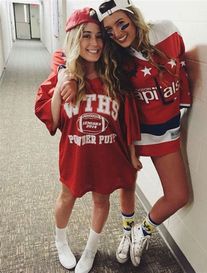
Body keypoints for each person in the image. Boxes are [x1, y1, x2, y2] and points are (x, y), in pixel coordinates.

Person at [34, 7, 142, 273]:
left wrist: (131, 154)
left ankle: (91, 249)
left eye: (98, 37)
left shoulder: (114, 77)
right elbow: (53, 117)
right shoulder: (65, 77)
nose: (94, 44)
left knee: (101, 201)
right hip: (75, 155)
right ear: (74, 38)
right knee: (66, 198)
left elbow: (127, 120)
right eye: (86, 36)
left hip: (106, 156)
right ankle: (61, 242)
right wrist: (61, 82)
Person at [93, 0, 192, 267]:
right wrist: (63, 71)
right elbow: (76, 55)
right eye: (110, 31)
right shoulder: (112, 55)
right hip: (132, 134)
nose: (117, 34)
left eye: (121, 24)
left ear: (133, 15)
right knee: (128, 185)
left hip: (165, 131)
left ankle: (142, 230)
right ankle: (126, 232)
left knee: (179, 195)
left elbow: (182, 64)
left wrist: (183, 102)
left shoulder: (167, 31)